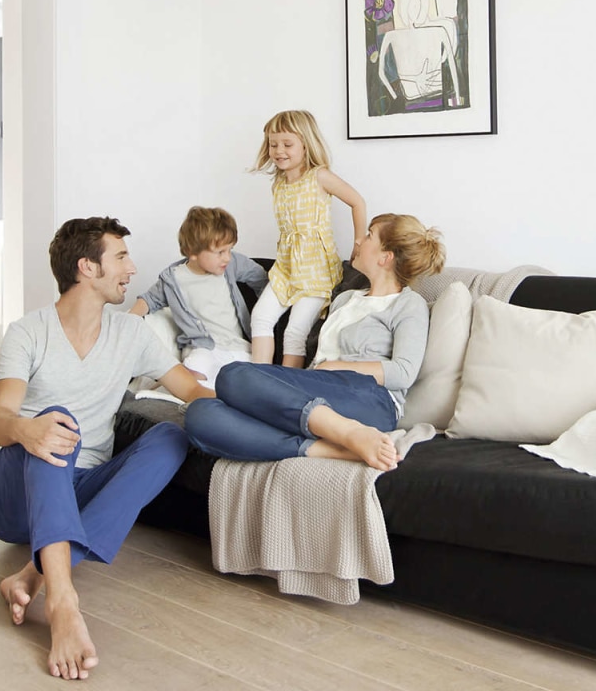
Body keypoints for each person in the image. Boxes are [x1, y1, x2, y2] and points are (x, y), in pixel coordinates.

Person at [0, 216, 213, 681]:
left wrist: (266, 410)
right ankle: (63, 603)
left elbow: (193, 393)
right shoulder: (28, 331)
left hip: (78, 486)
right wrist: (27, 430)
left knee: (171, 436)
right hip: (11, 492)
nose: (132, 268)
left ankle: (36, 573)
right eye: (120, 257)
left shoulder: (132, 333)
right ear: (87, 267)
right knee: (58, 421)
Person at [186, 213, 444, 470]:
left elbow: (403, 372)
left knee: (233, 375)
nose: (359, 241)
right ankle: (330, 449)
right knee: (201, 414)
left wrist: (334, 366)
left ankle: (351, 433)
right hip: (319, 390)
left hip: (371, 400)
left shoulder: (408, 304)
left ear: (385, 257)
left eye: (369, 235)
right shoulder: (345, 299)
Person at [250, 109, 367, 369]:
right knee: (260, 318)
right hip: (286, 269)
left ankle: (287, 384)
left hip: (316, 271)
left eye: (287, 144)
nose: (279, 151)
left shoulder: (319, 177)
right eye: (273, 144)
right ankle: (258, 377)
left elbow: (357, 201)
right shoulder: (279, 183)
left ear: (306, 144)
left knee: (295, 332)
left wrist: (359, 241)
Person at [129, 205, 267, 388]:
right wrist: (126, 322)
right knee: (193, 371)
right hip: (203, 348)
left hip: (238, 347)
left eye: (230, 249)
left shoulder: (232, 264)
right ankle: (173, 386)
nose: (227, 257)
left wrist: (265, 315)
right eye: (220, 252)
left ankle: (218, 390)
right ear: (192, 252)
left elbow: (262, 279)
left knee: (250, 381)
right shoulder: (173, 279)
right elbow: (148, 300)